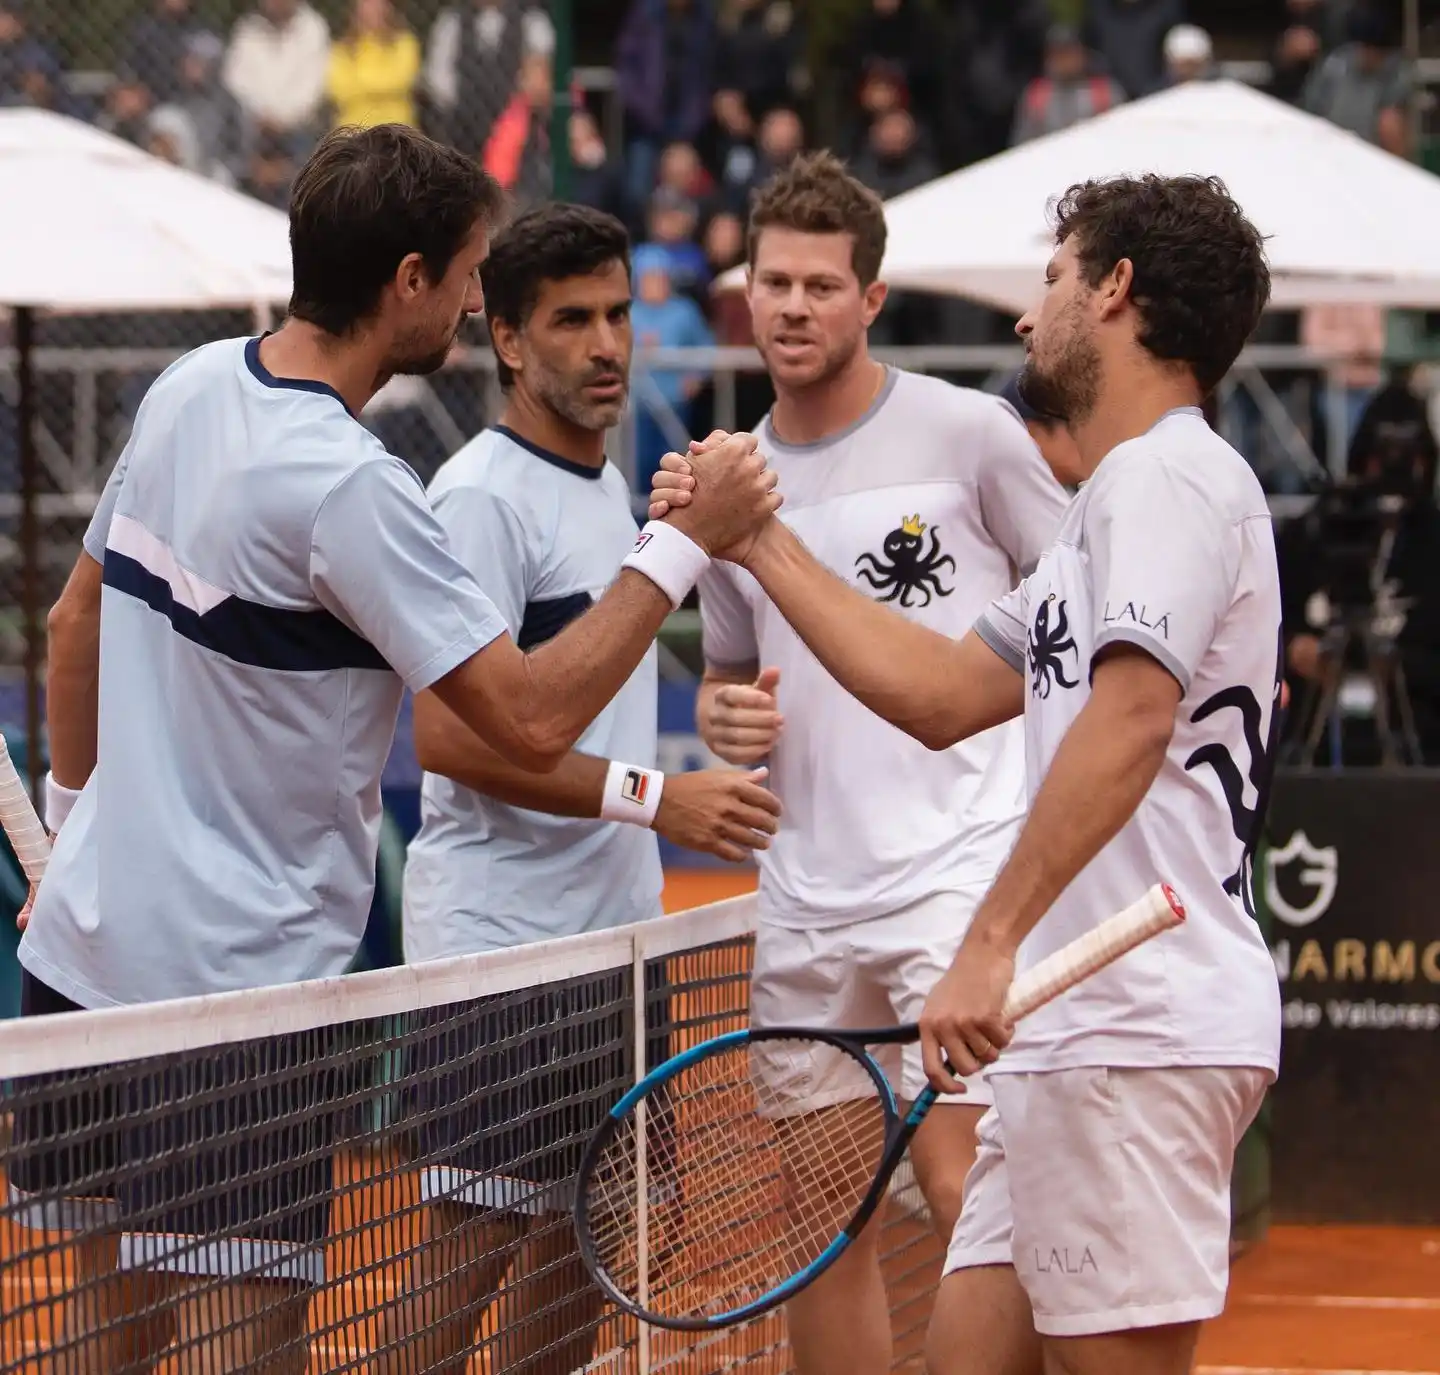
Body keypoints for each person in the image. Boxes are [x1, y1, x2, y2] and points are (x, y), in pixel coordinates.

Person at [11, 123, 777, 1373]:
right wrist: (686, 549)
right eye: (473, 277)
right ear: (409, 282)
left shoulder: (191, 383)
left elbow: (72, 621)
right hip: (240, 1000)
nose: (481, 305)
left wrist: (67, 826)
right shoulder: (358, 489)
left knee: (98, 1337)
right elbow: (520, 717)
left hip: (87, 958)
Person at [653, 172, 1282, 1375]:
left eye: (1049, 281)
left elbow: (1135, 716)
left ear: (1116, 291)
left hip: (1135, 1036)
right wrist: (758, 539)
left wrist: (989, 940)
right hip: (1074, 1035)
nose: (1021, 317)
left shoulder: (1165, 477)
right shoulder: (1109, 509)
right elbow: (941, 695)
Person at [374, 202, 781, 1374]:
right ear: (507, 339)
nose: (608, 343)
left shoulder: (611, 488)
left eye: (618, 314)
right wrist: (663, 795)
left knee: (581, 1265)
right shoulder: (477, 498)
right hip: (505, 948)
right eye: (571, 321)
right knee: (458, 1267)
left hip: (616, 948)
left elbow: (596, 680)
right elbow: (451, 741)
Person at [683, 150, 1069, 1375]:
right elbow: (732, 675)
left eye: (820, 286)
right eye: (772, 283)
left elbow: (1080, 607)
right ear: (743, 292)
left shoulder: (972, 434)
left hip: (957, 879)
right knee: (824, 1224)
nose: (791, 307)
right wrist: (722, 718)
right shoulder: (734, 474)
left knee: (975, 1197)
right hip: (804, 896)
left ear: (871, 300)